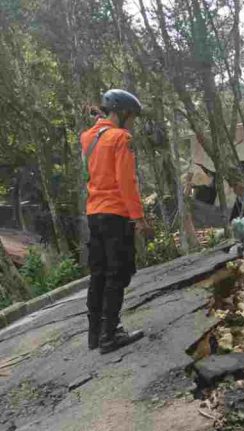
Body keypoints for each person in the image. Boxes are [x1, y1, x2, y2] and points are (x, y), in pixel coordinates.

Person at [81, 89, 151, 354]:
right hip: (116, 214)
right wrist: (139, 218)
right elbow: (126, 181)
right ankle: (110, 335)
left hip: (94, 213)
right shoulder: (121, 138)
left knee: (98, 273)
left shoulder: (88, 137)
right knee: (117, 273)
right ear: (121, 113)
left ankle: (95, 335)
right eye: (131, 117)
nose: (132, 123)